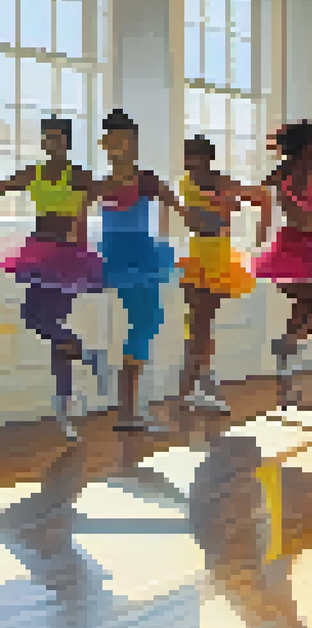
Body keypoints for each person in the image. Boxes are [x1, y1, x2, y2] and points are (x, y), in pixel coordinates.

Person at [0, 117, 106, 439]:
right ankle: (86, 356)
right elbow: (3, 186)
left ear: (67, 142)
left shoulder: (79, 176)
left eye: (58, 139)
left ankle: (64, 406)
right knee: (35, 319)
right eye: (47, 139)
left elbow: (105, 198)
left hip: (68, 255)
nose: (52, 144)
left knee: (50, 323)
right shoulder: (33, 173)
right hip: (38, 251)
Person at [96, 109, 191, 431]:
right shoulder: (102, 183)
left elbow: (178, 209)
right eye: (118, 141)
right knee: (145, 321)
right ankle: (128, 411)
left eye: (130, 140)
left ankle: (129, 409)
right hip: (121, 253)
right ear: (107, 145)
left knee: (146, 321)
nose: (125, 147)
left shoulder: (147, 180)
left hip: (141, 251)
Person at [251, 121, 312, 406]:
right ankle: (289, 343)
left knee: (300, 315)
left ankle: (286, 391)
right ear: (307, 146)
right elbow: (258, 193)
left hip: (310, 246)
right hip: (292, 249)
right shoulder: (285, 174)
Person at [175, 135, 267, 413]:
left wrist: (260, 235)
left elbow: (262, 197)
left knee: (203, 323)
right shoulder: (185, 183)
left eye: (195, 156)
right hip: (197, 254)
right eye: (187, 156)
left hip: (218, 257)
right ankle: (196, 386)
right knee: (196, 323)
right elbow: (193, 217)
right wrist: (222, 209)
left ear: (207, 157)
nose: (189, 161)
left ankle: (196, 387)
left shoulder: (222, 183)